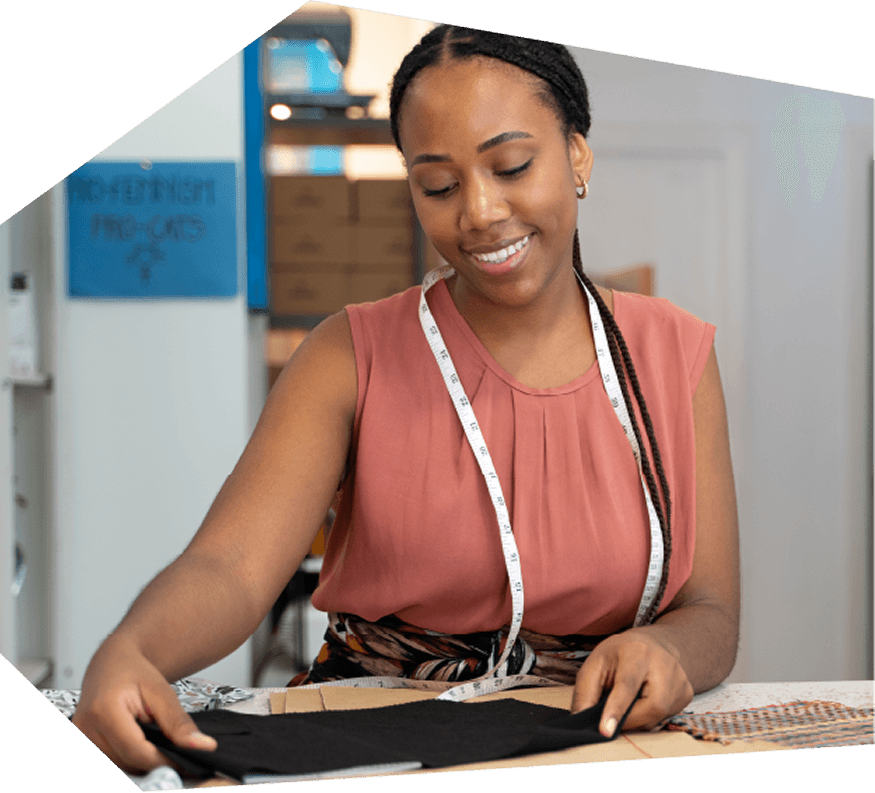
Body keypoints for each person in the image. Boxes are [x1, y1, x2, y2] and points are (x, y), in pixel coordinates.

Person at [73, 24, 739, 774]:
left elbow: (713, 609)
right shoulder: (347, 356)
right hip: (366, 738)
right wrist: (133, 649)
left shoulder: (674, 354)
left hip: (594, 739)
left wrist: (671, 648)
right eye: (439, 186)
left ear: (578, 155)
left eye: (512, 166)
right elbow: (230, 567)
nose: (479, 211)